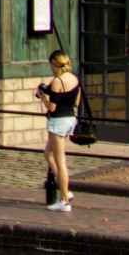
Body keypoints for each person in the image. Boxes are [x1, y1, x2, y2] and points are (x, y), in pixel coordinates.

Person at [38, 50, 81, 212]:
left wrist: (42, 97)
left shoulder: (57, 81)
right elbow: (76, 102)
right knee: (48, 153)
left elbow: (52, 107)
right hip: (70, 119)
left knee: (60, 161)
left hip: (58, 122)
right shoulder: (76, 78)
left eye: (51, 65)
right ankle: (65, 190)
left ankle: (64, 201)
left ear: (55, 65)